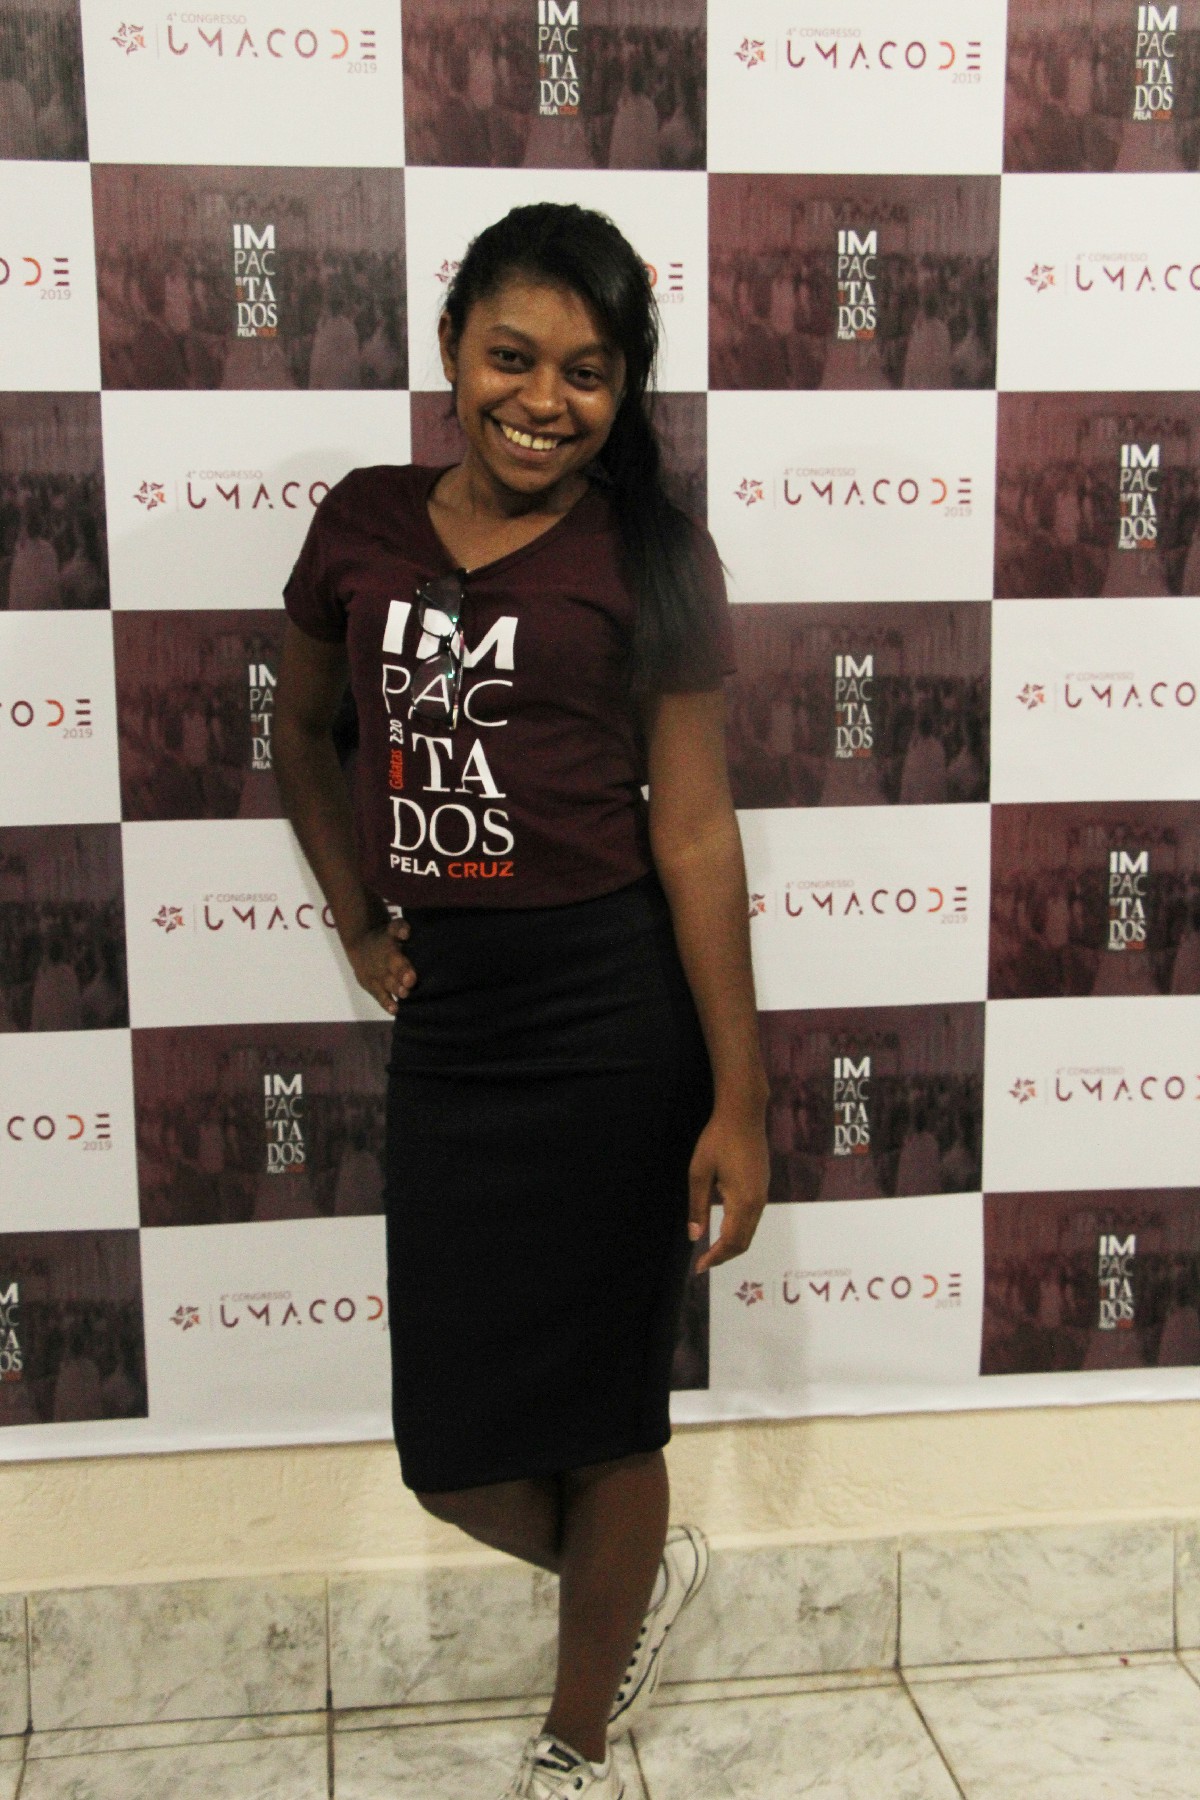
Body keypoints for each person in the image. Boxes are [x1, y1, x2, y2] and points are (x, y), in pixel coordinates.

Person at [275, 203, 769, 1800]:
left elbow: (695, 831)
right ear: (451, 350)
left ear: (624, 390)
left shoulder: (651, 557)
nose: (545, 399)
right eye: (513, 356)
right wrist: (357, 919)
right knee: (456, 1455)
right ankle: (627, 1593)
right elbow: (300, 734)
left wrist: (741, 1099)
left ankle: (574, 1737)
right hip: (459, 1028)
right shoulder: (361, 523)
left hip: (617, 1018)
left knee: (611, 1415)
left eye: (589, 371)